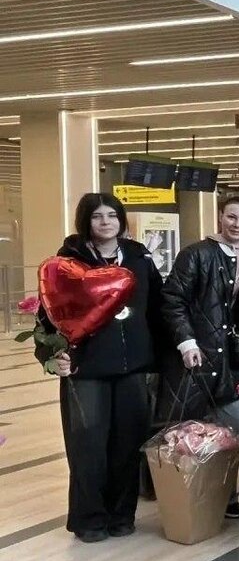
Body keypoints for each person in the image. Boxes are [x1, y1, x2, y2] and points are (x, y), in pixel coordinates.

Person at [35, 193, 163, 542]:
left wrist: (167, 356)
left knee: (127, 444)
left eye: (112, 215)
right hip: (86, 369)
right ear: (85, 221)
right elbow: (48, 315)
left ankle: (121, 515)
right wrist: (51, 356)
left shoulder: (139, 258)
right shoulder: (67, 263)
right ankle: (89, 519)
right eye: (97, 216)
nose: (106, 222)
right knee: (88, 445)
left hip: (133, 367)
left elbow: (157, 309)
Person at [159, 194, 239, 519]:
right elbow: (172, 299)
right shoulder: (196, 254)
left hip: (233, 361)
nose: (237, 224)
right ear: (220, 217)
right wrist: (186, 342)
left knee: (235, 430)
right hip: (198, 358)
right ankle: (189, 499)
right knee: (190, 434)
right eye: (232, 217)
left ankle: (227, 497)